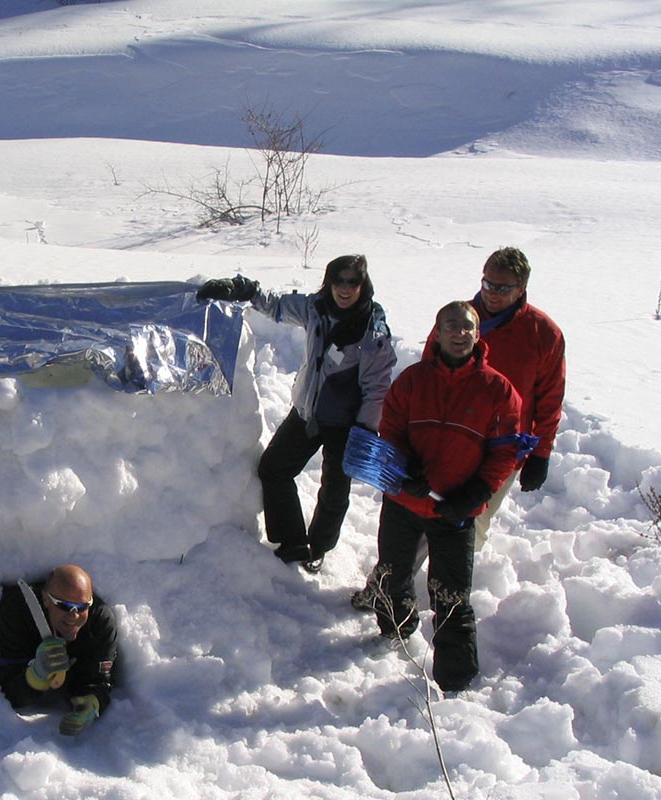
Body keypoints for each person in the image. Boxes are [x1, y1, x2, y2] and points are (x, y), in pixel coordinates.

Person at [352, 246, 565, 608]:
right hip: (443, 443)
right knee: (418, 516)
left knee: (469, 523)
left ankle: (449, 593)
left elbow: (550, 398)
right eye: (488, 284)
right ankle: (387, 590)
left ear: (522, 288)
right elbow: (425, 378)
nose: (492, 294)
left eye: (503, 288)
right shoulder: (458, 320)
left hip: (498, 450)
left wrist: (541, 453)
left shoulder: (543, 334)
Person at [197, 255, 397, 572]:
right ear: (329, 282)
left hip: (346, 425)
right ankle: (292, 542)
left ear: (363, 285)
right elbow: (276, 305)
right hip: (307, 412)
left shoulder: (373, 333)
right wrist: (242, 288)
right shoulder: (317, 308)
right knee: (274, 469)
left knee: (334, 492)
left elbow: (377, 388)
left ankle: (317, 548)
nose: (345, 289)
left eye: (352, 282)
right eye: (338, 281)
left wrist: (364, 430)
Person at [370, 301, 521, 692]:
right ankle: (394, 631)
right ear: (436, 332)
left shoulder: (498, 390)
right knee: (392, 573)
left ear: (477, 333)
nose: (459, 333)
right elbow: (390, 429)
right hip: (405, 500)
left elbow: (505, 452)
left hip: (454, 511)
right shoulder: (412, 381)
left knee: (451, 596)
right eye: (450, 325)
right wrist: (406, 470)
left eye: (467, 327)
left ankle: (455, 682)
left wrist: (475, 494)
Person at [0, 565, 118, 736]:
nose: (74, 616)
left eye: (82, 607)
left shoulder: (100, 621)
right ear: (45, 599)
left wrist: (93, 702)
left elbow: (99, 680)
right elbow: (5, 692)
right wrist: (35, 676)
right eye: (64, 606)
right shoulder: (16, 613)